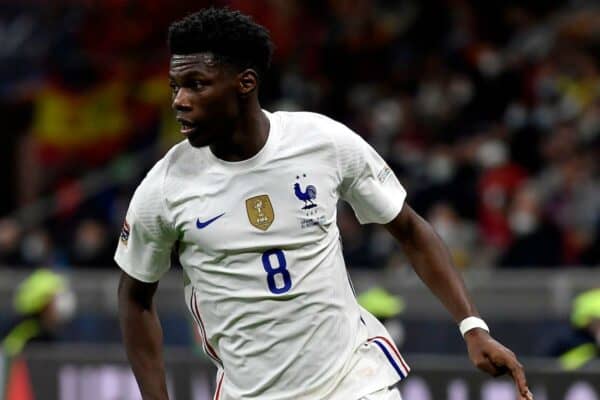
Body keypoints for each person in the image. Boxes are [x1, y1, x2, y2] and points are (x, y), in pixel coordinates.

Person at [115, 8, 532, 400]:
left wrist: (473, 327)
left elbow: (409, 228)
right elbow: (135, 297)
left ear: (245, 82)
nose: (179, 101)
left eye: (196, 84)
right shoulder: (165, 188)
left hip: (355, 381)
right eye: (175, 87)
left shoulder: (323, 142)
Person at [1, 269, 76, 357]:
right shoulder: (24, 335)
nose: (62, 303)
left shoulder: (49, 334)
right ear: (43, 304)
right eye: (56, 298)